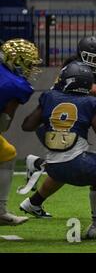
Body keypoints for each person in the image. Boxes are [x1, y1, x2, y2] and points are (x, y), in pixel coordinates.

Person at [21, 61, 96, 239]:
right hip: (76, 165)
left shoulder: (48, 97)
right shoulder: (91, 102)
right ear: (87, 83)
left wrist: (48, 116)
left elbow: (27, 125)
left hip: (54, 169)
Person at [0, 38, 41, 225]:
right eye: (28, 63)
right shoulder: (16, 85)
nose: (30, 68)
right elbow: (3, 124)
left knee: (7, 153)